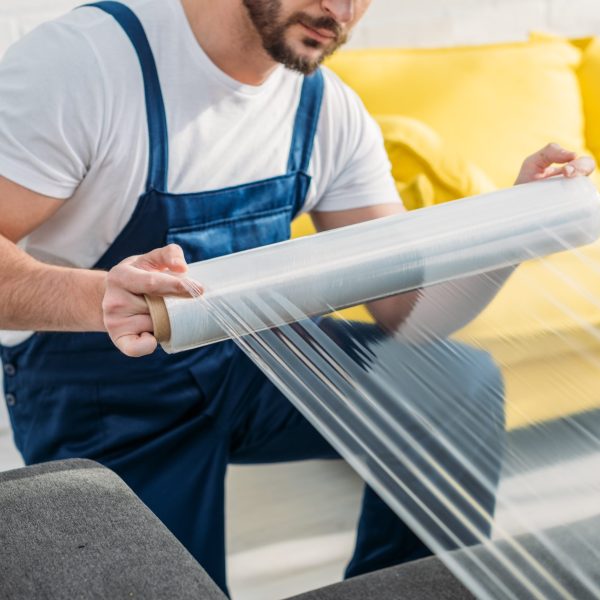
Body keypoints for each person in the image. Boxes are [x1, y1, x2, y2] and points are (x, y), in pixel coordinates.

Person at [0, 0, 594, 594]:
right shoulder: (86, 66)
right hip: (102, 393)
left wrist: (510, 227)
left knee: (456, 383)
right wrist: (106, 297)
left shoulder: (326, 109)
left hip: (252, 365)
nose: (341, 9)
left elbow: (408, 310)